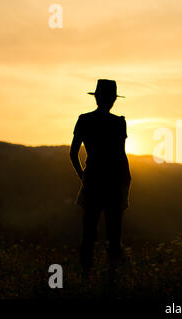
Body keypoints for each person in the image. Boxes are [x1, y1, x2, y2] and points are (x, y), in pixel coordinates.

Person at [70, 79, 131, 271]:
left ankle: (85, 276)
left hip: (92, 182)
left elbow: (73, 153)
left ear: (96, 97)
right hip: (114, 184)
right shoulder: (119, 123)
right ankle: (112, 281)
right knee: (114, 237)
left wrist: (83, 176)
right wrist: (126, 184)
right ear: (113, 99)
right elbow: (121, 157)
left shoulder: (84, 120)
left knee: (88, 235)